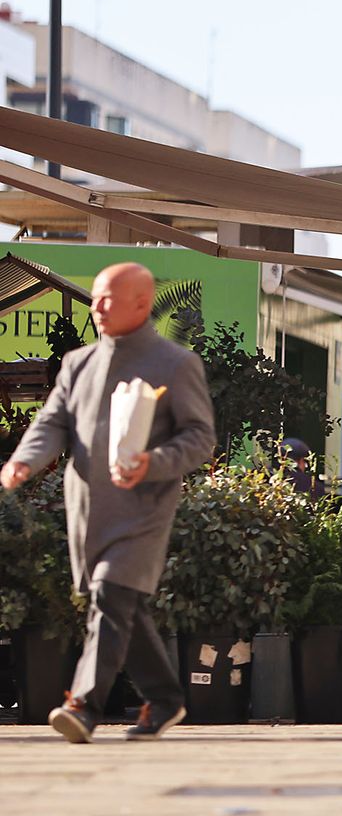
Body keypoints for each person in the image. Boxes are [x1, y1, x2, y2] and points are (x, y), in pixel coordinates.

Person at [2, 262, 215, 743]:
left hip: (142, 511)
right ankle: (165, 700)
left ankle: (83, 705)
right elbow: (51, 423)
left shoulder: (176, 364)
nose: (96, 306)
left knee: (110, 594)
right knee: (117, 605)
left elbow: (200, 439)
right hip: (87, 509)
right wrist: (24, 461)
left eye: (108, 299)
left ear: (142, 305)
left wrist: (153, 461)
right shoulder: (78, 363)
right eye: (96, 297)